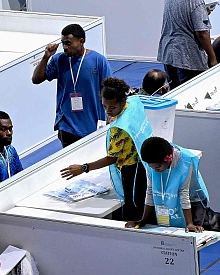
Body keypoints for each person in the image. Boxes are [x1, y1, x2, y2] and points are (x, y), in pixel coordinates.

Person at [60, 77, 153, 221]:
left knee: (133, 209)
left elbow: (111, 158)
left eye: (112, 107)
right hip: (143, 160)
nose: (108, 111)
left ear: (122, 101)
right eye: (104, 106)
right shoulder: (133, 102)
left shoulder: (119, 129)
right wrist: (115, 115)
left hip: (132, 171)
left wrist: (84, 167)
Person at [31, 23, 112, 147]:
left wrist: (110, 116)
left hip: (92, 124)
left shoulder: (98, 61)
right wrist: (46, 57)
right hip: (67, 126)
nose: (65, 47)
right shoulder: (59, 60)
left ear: (81, 41)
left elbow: (109, 89)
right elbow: (36, 79)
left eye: (68, 43)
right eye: (63, 43)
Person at [126, 136, 210, 232]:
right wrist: (144, 219)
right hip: (168, 199)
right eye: (152, 167)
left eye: (158, 167)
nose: (155, 170)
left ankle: (215, 219)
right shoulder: (151, 162)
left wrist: (190, 223)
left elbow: (184, 194)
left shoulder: (185, 162)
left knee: (192, 232)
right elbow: (150, 190)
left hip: (192, 201)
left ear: (167, 159)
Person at [157, 0, 217, 86]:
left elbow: (180, 17)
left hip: (169, 54)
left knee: (175, 92)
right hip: (188, 59)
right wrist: (213, 59)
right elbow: (202, 34)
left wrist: (202, 14)